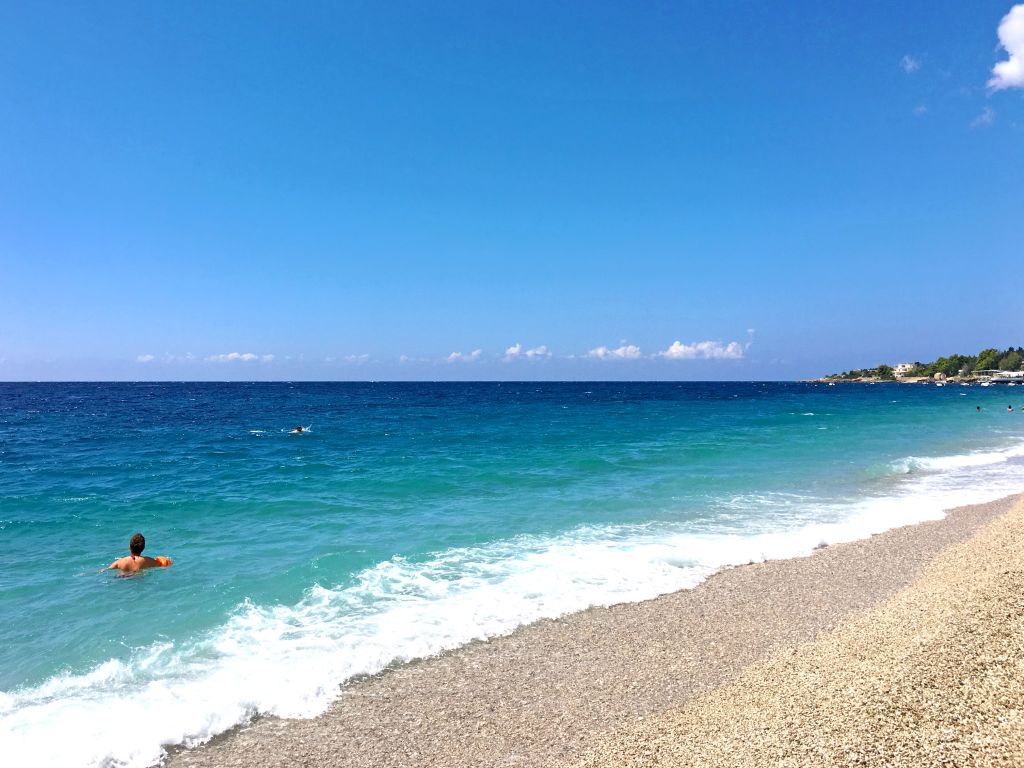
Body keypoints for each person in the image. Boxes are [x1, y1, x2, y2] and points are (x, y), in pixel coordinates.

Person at [99, 533, 172, 574]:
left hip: (123, 579)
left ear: (130, 547)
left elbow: (105, 569)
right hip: (140, 578)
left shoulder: (120, 562)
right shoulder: (148, 561)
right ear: (143, 548)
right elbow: (162, 563)